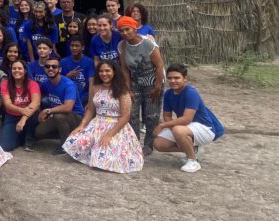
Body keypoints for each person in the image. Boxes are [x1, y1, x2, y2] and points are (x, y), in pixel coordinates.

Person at [63, 60, 144, 173]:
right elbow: (90, 110)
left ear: (114, 72)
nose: (104, 74)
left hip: (116, 126)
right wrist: (82, 125)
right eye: (101, 71)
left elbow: (125, 117)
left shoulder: (123, 90)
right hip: (97, 123)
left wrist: (109, 135)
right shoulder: (95, 87)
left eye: (107, 71)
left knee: (104, 156)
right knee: (75, 142)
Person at [153, 64, 225, 173]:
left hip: (205, 128)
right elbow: (167, 115)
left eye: (177, 78)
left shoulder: (191, 92)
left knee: (178, 130)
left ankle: (193, 161)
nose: (173, 81)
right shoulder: (168, 93)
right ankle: (194, 149)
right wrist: (174, 131)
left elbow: (187, 119)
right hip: (185, 127)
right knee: (159, 144)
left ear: (185, 78)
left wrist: (163, 125)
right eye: (170, 78)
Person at [117, 16, 165, 155]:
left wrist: (157, 86)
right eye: (122, 30)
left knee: (151, 114)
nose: (125, 33)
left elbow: (159, 65)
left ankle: (149, 144)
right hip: (135, 81)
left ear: (135, 28)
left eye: (127, 29)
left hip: (152, 81)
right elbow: (124, 68)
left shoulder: (148, 44)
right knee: (131, 113)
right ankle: (134, 143)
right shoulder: (122, 46)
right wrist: (128, 88)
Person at [34, 58, 85, 155]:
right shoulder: (45, 83)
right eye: (47, 66)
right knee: (38, 133)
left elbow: (68, 107)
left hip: (75, 117)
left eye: (54, 66)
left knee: (58, 117)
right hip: (55, 115)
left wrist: (47, 111)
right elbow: (39, 98)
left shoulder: (68, 85)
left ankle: (64, 147)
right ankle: (66, 134)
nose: (50, 68)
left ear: (59, 69)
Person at [0, 59, 40, 152]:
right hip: (12, 116)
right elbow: (7, 104)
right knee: (6, 147)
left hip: (29, 116)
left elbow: (36, 102)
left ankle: (29, 138)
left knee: (35, 111)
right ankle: (21, 137)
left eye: (19, 68)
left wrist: (23, 119)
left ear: (25, 71)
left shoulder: (32, 84)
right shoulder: (5, 83)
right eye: (14, 68)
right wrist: (21, 110)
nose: (16, 70)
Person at [59, 36, 95, 106]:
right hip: (68, 93)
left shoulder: (89, 62)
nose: (74, 48)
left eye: (77, 46)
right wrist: (68, 76)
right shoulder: (63, 62)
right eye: (72, 46)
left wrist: (90, 102)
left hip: (84, 94)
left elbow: (91, 82)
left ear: (83, 47)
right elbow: (59, 83)